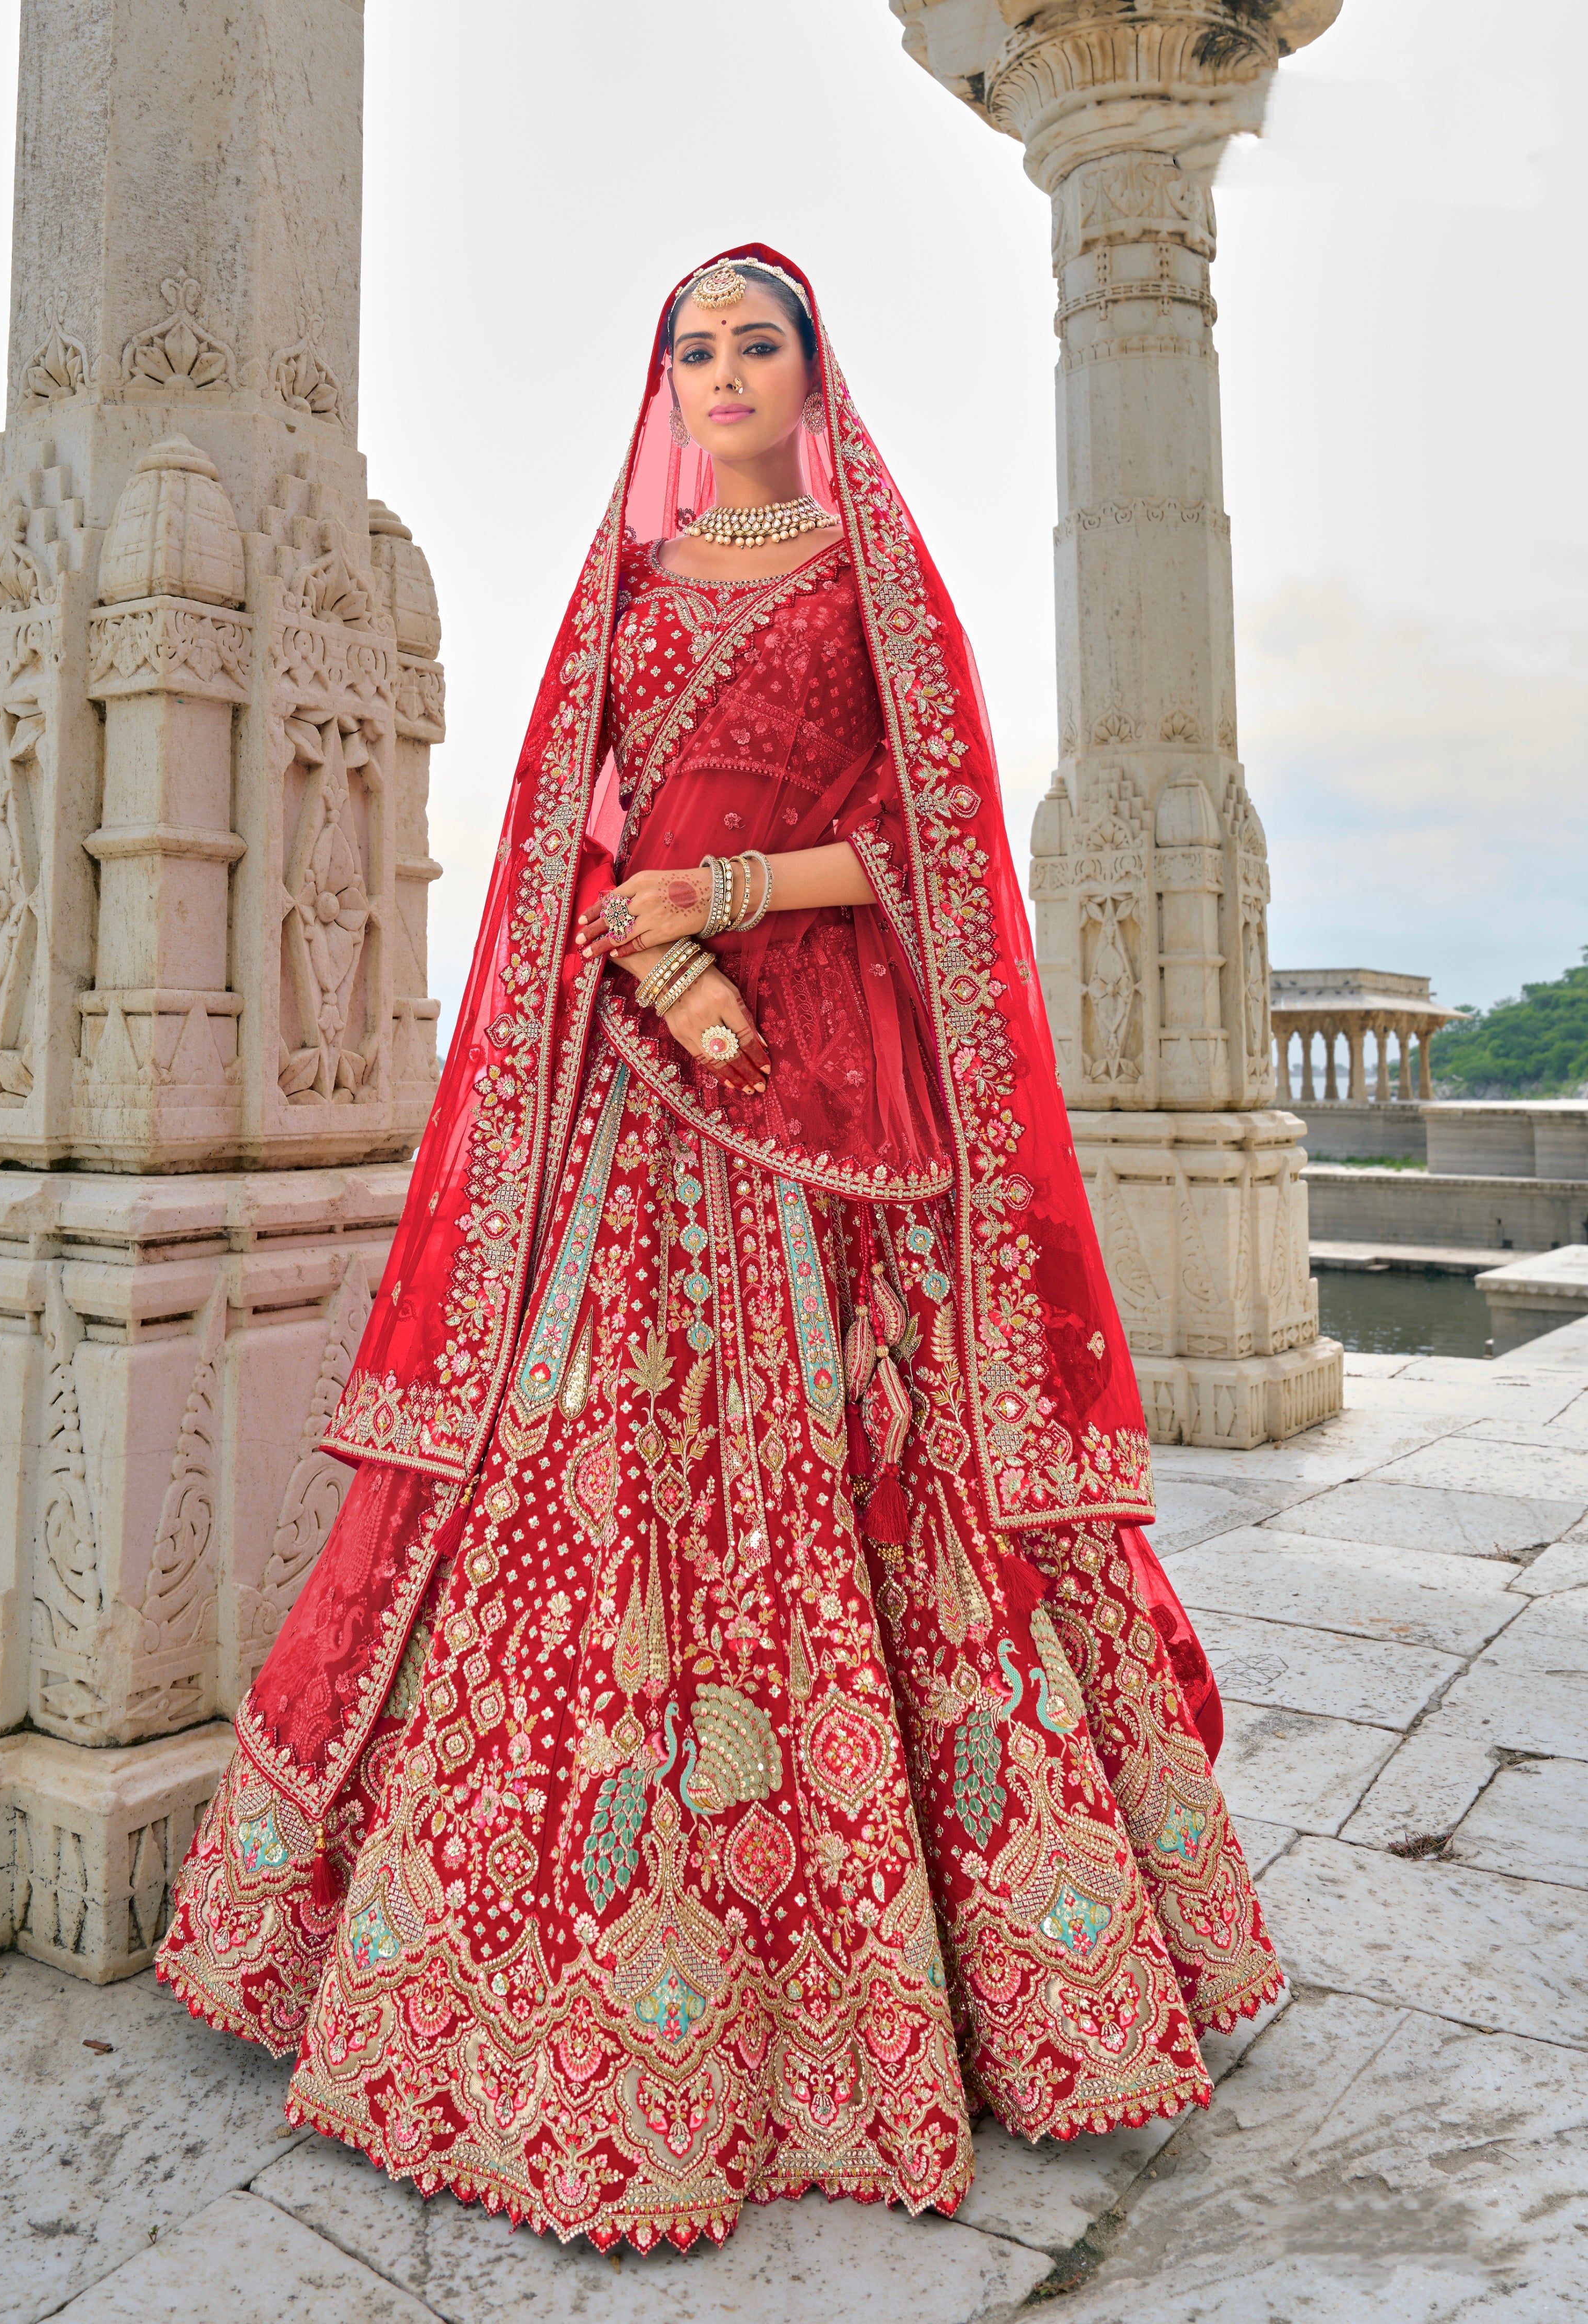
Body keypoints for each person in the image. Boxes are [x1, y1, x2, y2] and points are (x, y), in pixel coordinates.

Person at [157, 246, 1280, 2253]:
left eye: (759, 341)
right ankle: (481, 1984)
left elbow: (938, 837)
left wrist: (732, 890)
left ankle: (928, 1988)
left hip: (826, 1088)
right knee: (579, 1464)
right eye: (698, 346)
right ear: (668, 382)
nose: (728, 369)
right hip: (629, 1081)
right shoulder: (623, 588)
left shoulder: (868, 581)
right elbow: (553, 834)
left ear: (812, 373)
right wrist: (648, 935)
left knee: (856, 1466)